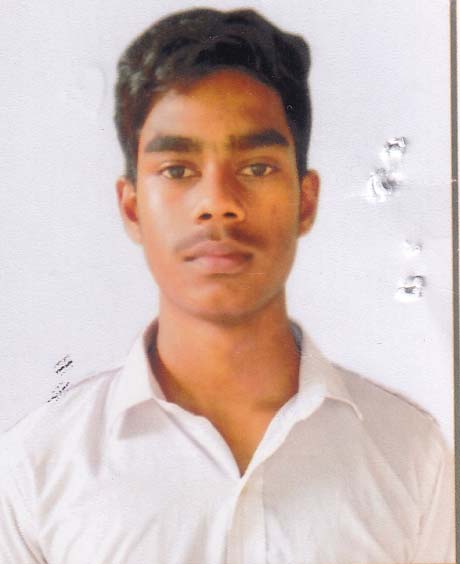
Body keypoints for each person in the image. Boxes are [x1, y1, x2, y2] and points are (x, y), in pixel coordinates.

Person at [0, 8, 454, 564]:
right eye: (177, 170)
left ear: (305, 201)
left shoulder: (412, 455)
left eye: (257, 167)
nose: (218, 202)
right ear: (132, 207)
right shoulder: (36, 470)